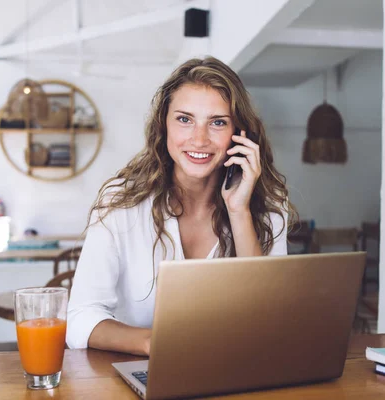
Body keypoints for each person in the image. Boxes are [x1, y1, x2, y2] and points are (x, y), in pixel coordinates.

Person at [66, 56, 296, 355]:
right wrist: (157, 343)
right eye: (185, 119)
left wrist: (240, 212)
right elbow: (81, 318)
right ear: (164, 125)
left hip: (235, 374)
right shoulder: (120, 203)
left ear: (239, 135)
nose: (199, 139)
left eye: (217, 122)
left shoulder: (269, 208)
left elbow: (268, 322)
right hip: (134, 373)